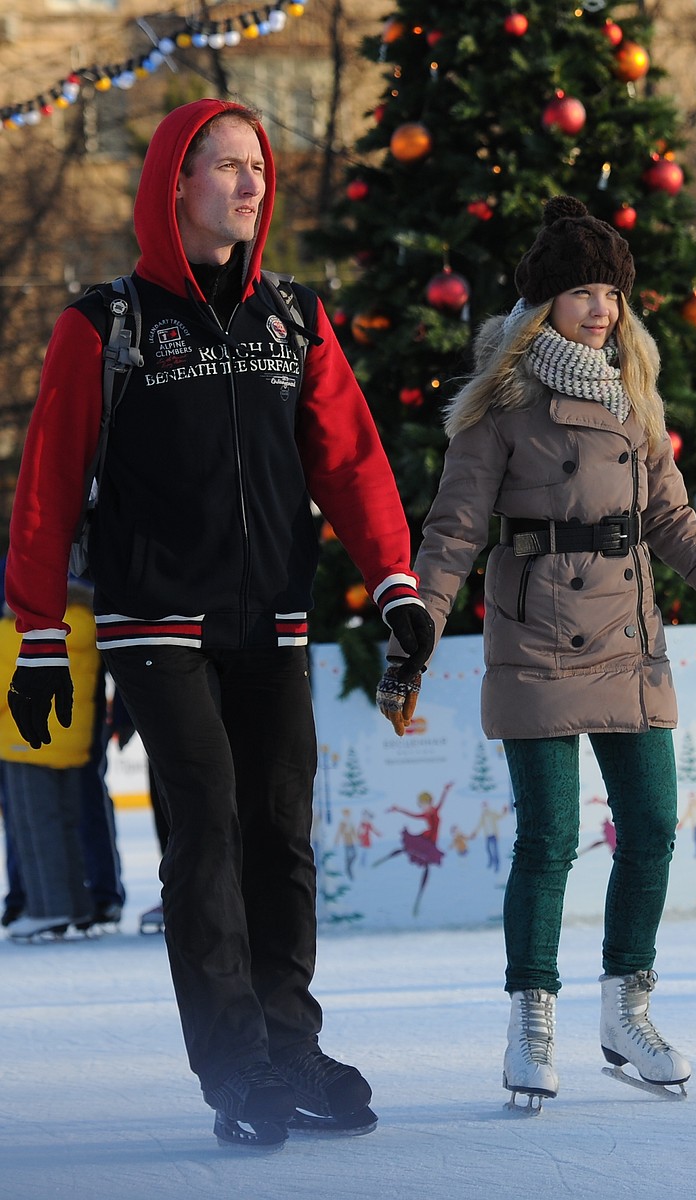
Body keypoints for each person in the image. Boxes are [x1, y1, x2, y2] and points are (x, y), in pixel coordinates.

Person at [5, 100, 433, 1150]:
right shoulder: (104, 327)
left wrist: (395, 582)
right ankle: (234, 1060)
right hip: (154, 618)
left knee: (281, 833)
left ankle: (289, 1039)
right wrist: (41, 638)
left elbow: (350, 458)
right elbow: (47, 489)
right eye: (228, 168)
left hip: (271, 617)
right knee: (208, 826)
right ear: (174, 183)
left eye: (258, 168)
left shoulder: (295, 318)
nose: (251, 186)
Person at [375, 196, 696, 1111]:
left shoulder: (633, 395)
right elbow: (453, 532)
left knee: (655, 829)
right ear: (543, 304)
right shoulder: (500, 406)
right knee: (550, 839)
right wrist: (416, 635)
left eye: (611, 294)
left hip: (629, 639)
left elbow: (671, 517)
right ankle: (531, 1016)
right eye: (582, 293)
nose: (601, 310)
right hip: (538, 637)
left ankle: (626, 1008)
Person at [0, 578, 101, 942]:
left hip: (23, 741)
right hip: (71, 742)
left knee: (34, 827)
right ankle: (77, 904)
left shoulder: (20, 634)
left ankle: (48, 909)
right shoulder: (84, 627)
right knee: (66, 825)